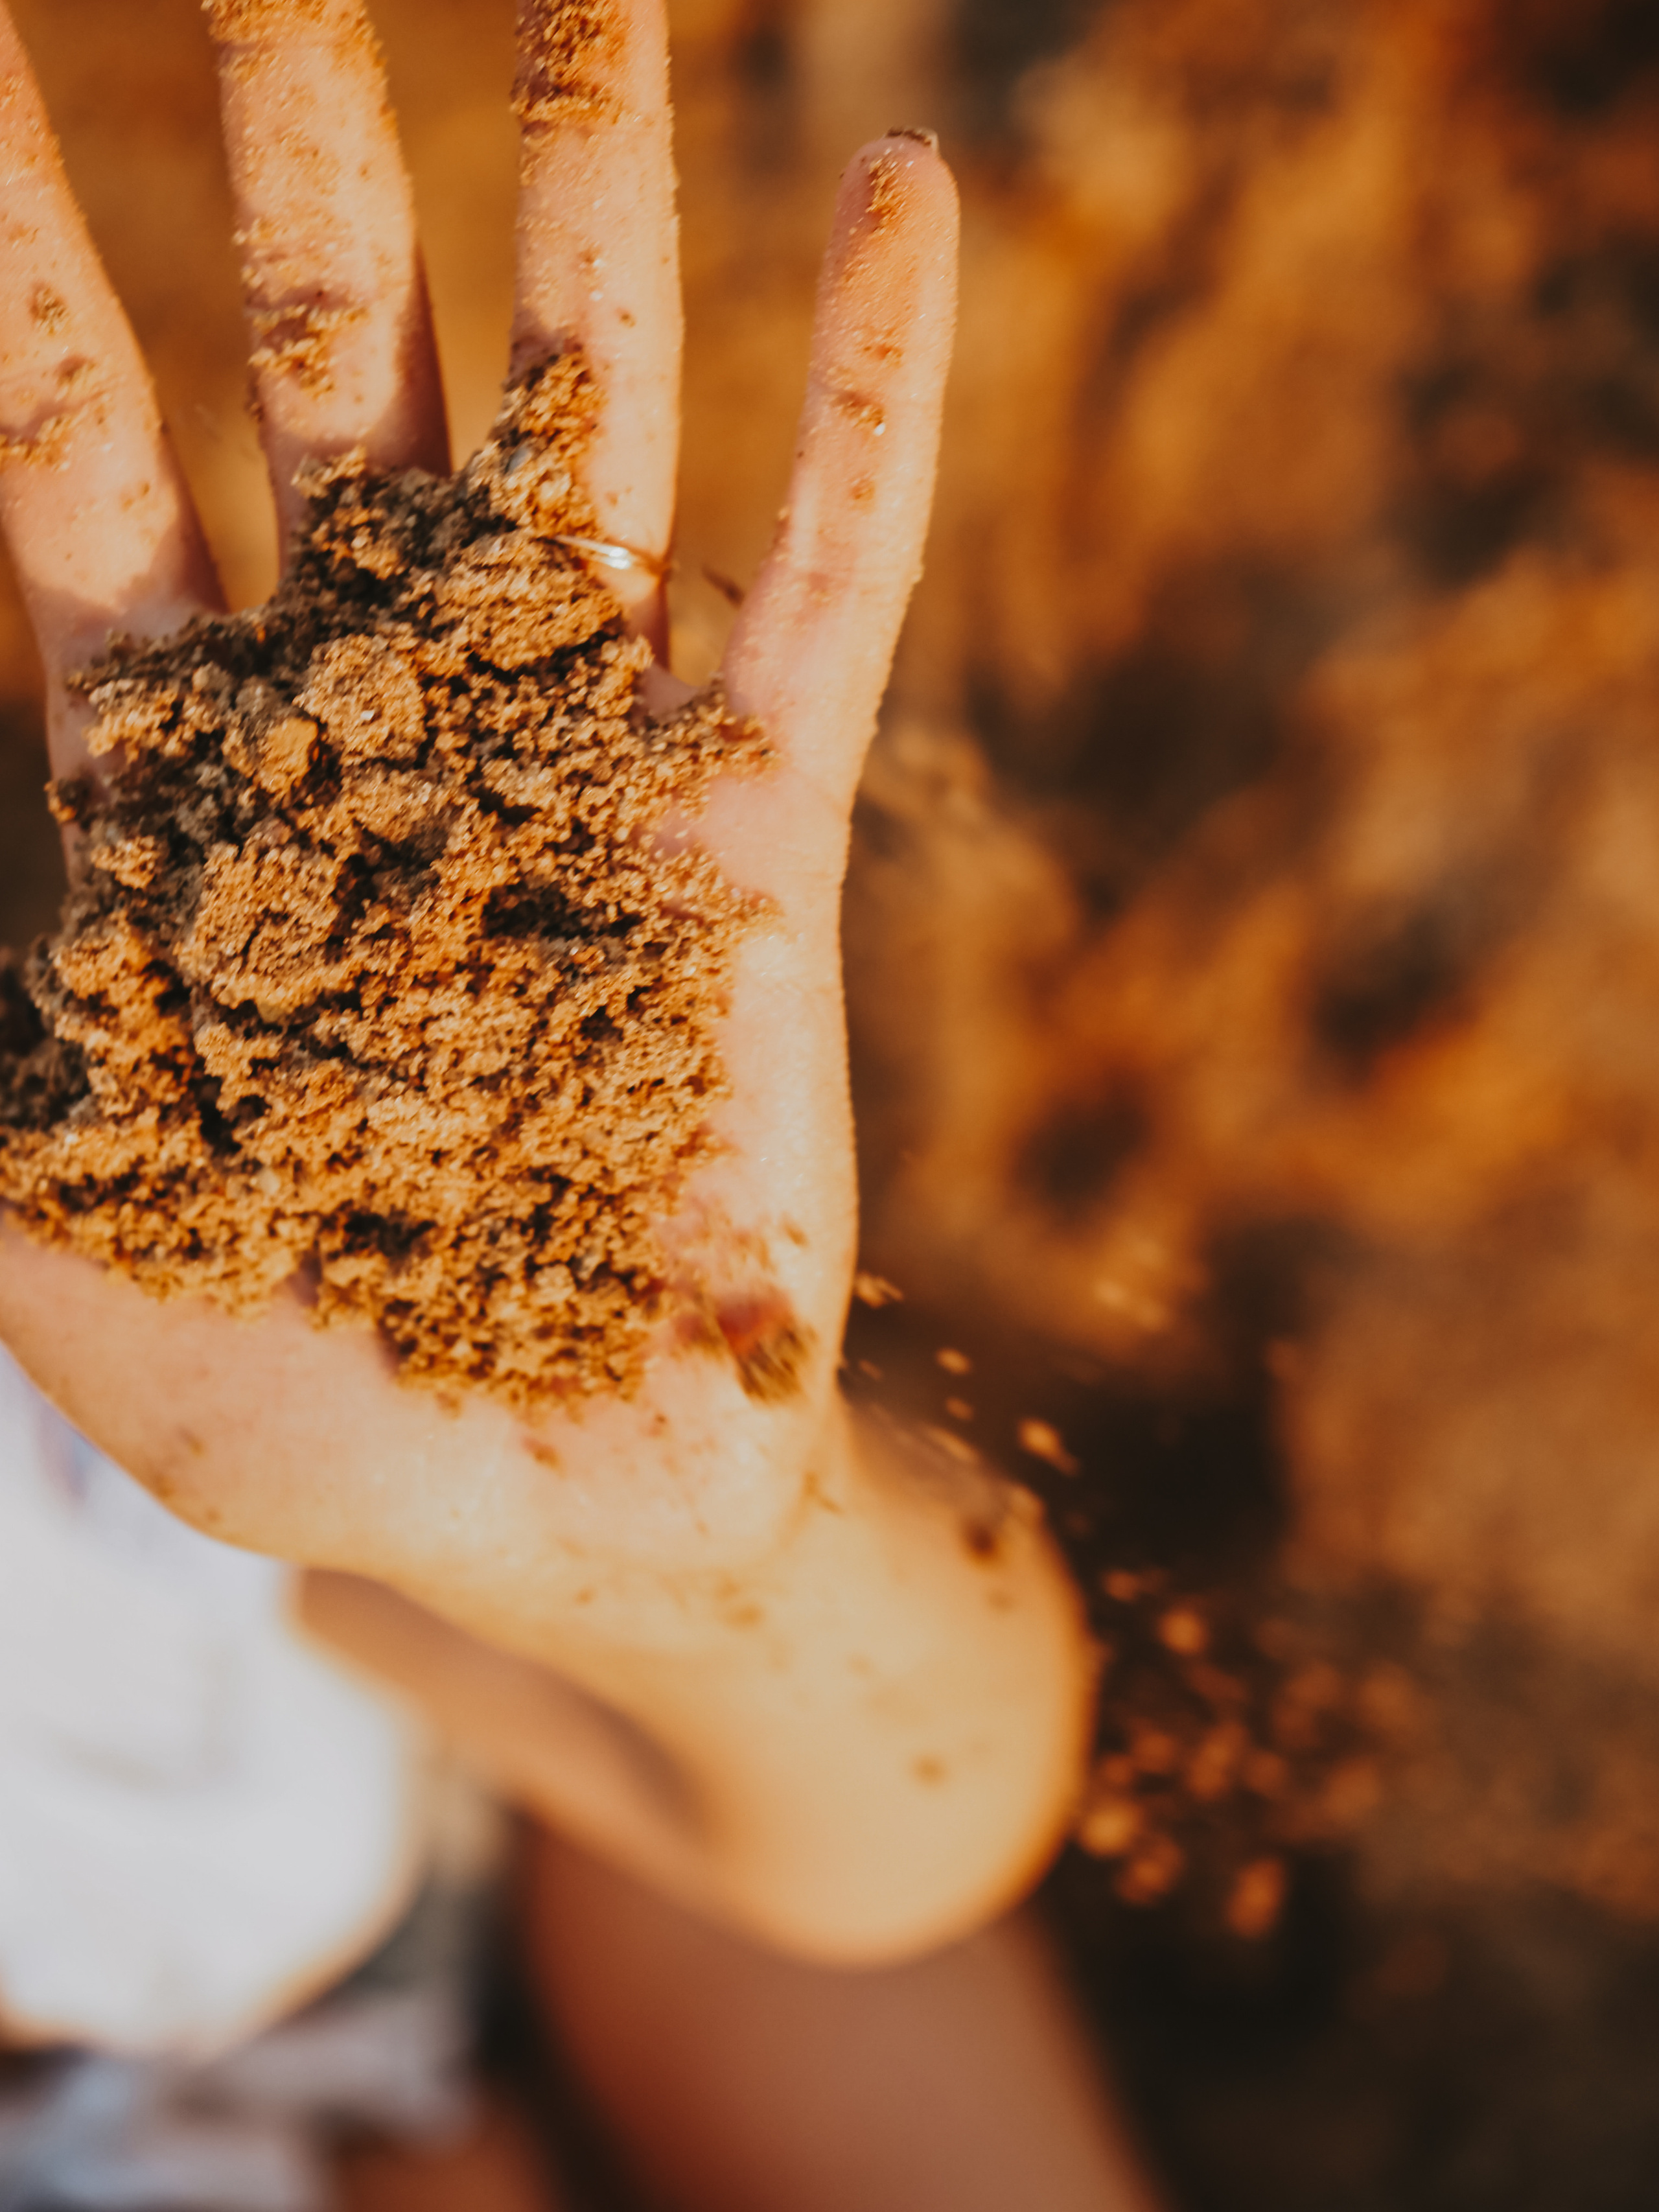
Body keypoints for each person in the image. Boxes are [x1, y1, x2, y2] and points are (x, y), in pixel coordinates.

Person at [0, 1, 1168, 2204]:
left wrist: (693, 1600)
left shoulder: (122, 1664)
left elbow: (874, 1876)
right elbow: (881, 1886)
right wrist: (681, 1592)